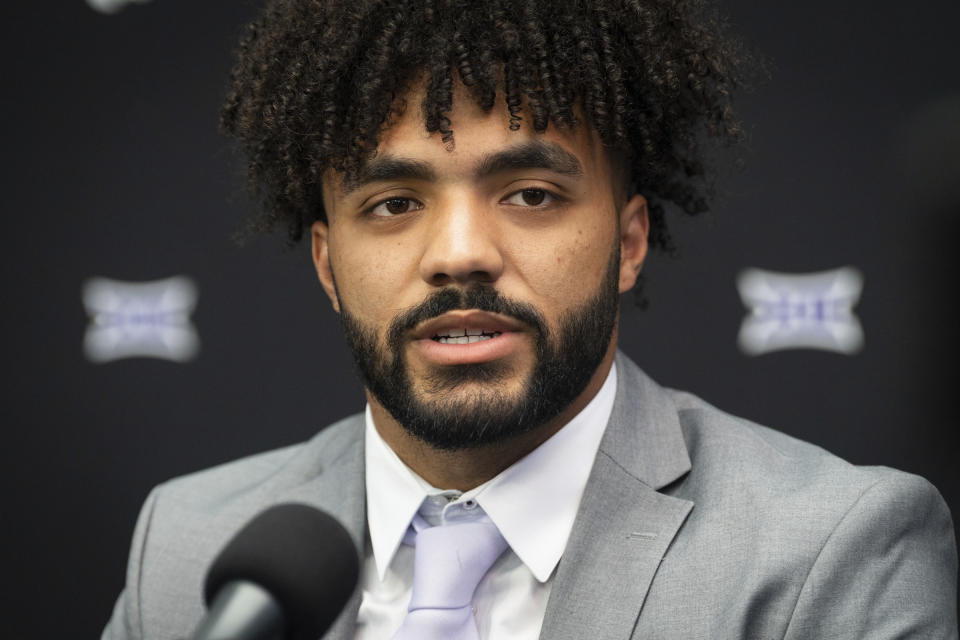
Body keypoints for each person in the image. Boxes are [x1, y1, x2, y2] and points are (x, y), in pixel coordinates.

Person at [103, 0, 958, 638]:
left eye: (530, 194)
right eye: (396, 203)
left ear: (628, 242)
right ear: (328, 265)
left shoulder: (830, 556)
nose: (461, 253)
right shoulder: (188, 553)